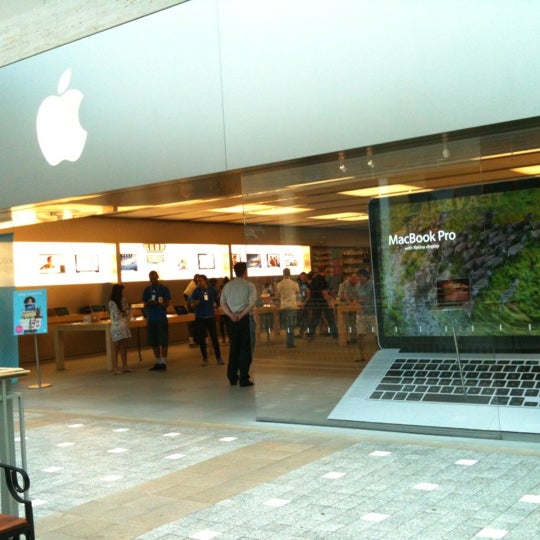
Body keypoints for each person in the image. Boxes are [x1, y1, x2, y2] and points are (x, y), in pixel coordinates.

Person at [220, 262, 257, 387]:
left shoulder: (227, 286)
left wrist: (231, 315)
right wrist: (241, 315)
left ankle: (232, 376)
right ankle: (243, 377)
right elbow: (251, 303)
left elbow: (223, 303)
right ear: (245, 271)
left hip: (232, 320)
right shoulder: (249, 285)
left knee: (234, 347)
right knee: (245, 349)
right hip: (245, 319)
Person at [189, 274, 223, 366]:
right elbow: (191, 305)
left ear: (205, 281)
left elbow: (218, 298)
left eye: (200, 280)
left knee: (214, 338)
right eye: (197, 281)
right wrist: (196, 303)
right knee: (202, 339)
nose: (198, 282)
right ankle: (205, 359)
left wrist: (217, 303)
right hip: (200, 318)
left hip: (210, 317)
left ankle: (218, 358)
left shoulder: (212, 289)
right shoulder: (196, 291)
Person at [142, 270, 171, 371]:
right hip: (151, 319)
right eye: (151, 278)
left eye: (154, 278)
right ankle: (158, 362)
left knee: (163, 341)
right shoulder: (147, 290)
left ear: (157, 277)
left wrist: (158, 304)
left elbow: (167, 303)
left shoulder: (164, 289)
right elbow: (144, 304)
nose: (152, 280)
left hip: (161, 318)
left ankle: (164, 362)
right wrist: (149, 304)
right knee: (153, 342)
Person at [305, 267, 337, 340]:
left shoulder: (314, 280)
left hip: (315, 302)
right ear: (324, 271)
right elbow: (324, 293)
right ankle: (335, 334)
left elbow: (309, 291)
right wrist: (329, 302)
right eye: (327, 272)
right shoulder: (322, 280)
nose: (327, 274)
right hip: (323, 302)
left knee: (315, 318)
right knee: (330, 318)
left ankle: (310, 333)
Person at [109, 283, 132, 375]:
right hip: (116, 326)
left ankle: (125, 365)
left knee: (124, 346)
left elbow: (128, 311)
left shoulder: (123, 300)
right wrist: (124, 313)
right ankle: (115, 367)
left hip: (124, 325)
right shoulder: (112, 302)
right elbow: (115, 316)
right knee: (116, 347)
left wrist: (125, 314)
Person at [355, 268, 377, 362]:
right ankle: (362, 356)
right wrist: (358, 305)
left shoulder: (372, 285)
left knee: (376, 335)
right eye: (358, 277)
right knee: (360, 334)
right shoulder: (357, 287)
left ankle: (379, 354)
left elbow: (374, 297)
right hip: (362, 313)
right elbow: (356, 298)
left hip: (373, 312)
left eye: (361, 277)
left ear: (366, 276)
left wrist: (364, 300)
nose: (359, 279)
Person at [276, 268, 300, 348]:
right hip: (292, 306)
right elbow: (297, 292)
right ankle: (290, 342)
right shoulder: (294, 284)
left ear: (283, 274)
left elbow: (278, 295)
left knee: (287, 324)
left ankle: (289, 340)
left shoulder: (279, 284)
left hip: (284, 306)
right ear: (290, 274)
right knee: (291, 325)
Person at [184, 274, 200, 348]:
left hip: (195, 309)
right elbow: (188, 299)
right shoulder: (194, 289)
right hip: (194, 310)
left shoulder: (196, 288)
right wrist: (191, 307)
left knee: (194, 326)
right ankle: (192, 341)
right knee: (192, 326)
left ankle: (195, 340)